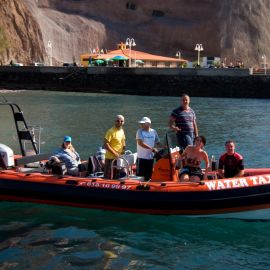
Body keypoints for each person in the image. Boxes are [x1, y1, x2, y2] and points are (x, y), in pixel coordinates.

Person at [136, 117, 162, 181]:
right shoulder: (139, 131)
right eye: (141, 124)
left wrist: (164, 147)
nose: (141, 125)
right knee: (141, 177)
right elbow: (140, 143)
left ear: (148, 124)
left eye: (143, 124)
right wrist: (152, 149)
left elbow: (158, 142)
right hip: (141, 158)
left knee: (149, 176)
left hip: (150, 158)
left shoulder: (154, 131)